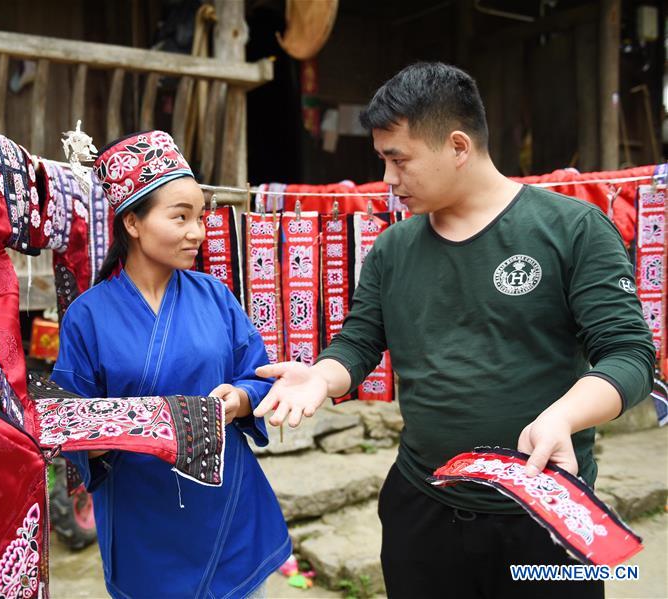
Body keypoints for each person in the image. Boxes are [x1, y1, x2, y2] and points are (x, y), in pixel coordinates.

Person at [254, 63, 654, 598]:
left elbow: (628, 355)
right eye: (383, 161)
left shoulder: (572, 229)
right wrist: (321, 379)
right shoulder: (393, 249)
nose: (388, 179)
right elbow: (357, 342)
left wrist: (563, 416)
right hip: (424, 507)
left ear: (458, 147)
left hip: (547, 515)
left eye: (399, 160)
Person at [51, 130, 291, 598]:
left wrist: (240, 400)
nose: (197, 232)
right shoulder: (88, 315)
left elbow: (259, 376)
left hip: (228, 511)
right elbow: (67, 420)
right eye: (180, 217)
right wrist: (119, 434)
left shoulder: (216, 297)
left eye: (200, 217)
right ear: (133, 223)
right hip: (143, 520)